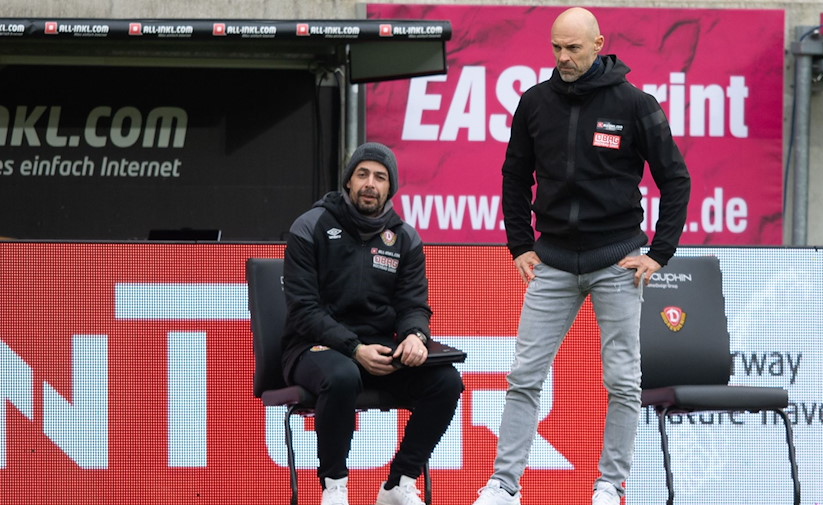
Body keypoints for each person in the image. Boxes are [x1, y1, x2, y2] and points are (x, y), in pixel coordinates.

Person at [472, 7, 691, 505]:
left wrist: (660, 253)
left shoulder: (636, 104)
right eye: (556, 47)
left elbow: (676, 179)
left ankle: (610, 486)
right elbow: (513, 176)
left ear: (599, 44)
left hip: (617, 261)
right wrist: (520, 245)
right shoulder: (534, 103)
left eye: (573, 47)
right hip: (551, 262)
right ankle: (505, 485)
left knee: (623, 381)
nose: (563, 57)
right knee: (523, 377)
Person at [282, 142, 464, 505]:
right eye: (362, 174)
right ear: (348, 182)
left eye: (380, 177)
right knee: (343, 374)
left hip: (380, 350)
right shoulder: (310, 226)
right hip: (314, 348)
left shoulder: (405, 238)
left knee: (446, 382)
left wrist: (415, 335)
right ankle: (334, 486)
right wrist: (353, 348)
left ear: (390, 188)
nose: (370, 183)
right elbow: (303, 309)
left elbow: (414, 304)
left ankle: (399, 483)